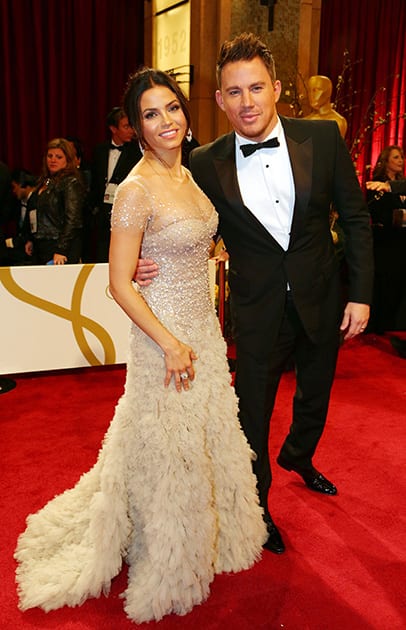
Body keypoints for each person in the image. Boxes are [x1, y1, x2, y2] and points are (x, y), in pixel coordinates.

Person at [14, 68, 266, 623]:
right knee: (169, 449)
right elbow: (119, 282)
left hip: (202, 328)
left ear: (184, 111)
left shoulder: (190, 174)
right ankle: (170, 557)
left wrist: (211, 248)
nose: (166, 121)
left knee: (198, 438)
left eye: (171, 108)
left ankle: (212, 534)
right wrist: (170, 343)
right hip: (164, 340)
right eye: (150, 115)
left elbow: (193, 233)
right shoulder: (134, 188)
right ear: (136, 127)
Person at [136, 33, 374, 555]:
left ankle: (300, 453)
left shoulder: (323, 139)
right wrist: (140, 255)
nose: (248, 102)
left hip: (321, 295)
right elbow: (173, 213)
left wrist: (360, 293)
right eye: (235, 92)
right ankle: (258, 505)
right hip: (256, 306)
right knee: (253, 412)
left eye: (257, 88)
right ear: (219, 99)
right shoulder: (202, 161)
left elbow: (355, 217)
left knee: (316, 394)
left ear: (277, 89)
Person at [88, 107, 143, 262]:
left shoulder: (137, 152)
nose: (131, 130)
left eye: (132, 126)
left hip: (126, 212)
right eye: (126, 126)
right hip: (102, 216)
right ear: (113, 129)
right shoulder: (100, 150)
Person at [365, 146, 406, 334]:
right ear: (386, 161)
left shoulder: (400, 184)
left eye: (402, 157)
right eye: (396, 157)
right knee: (383, 284)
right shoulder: (377, 185)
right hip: (385, 243)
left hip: (401, 244)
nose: (401, 160)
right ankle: (377, 325)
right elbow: (378, 214)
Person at [27, 138, 86, 264]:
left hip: (60, 245)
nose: (53, 160)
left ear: (68, 159)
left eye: (59, 157)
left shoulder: (71, 182)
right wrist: (30, 239)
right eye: (50, 156)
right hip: (41, 244)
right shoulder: (44, 181)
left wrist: (61, 249)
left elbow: (73, 219)